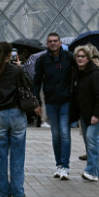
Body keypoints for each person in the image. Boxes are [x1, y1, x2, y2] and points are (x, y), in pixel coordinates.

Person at [0, 41, 33, 197]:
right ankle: (18, 191)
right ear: (10, 55)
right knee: (17, 155)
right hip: (16, 113)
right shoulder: (16, 70)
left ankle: (4, 192)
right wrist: (20, 67)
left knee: (1, 157)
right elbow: (27, 85)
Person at [33, 32, 73, 180]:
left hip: (66, 101)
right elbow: (36, 82)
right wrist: (36, 102)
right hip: (51, 102)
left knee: (64, 132)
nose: (53, 43)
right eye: (50, 41)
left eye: (55, 41)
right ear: (47, 43)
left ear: (60, 42)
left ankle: (65, 165)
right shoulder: (42, 60)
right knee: (56, 135)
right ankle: (59, 164)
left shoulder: (69, 58)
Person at [72, 44, 99, 182]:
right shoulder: (77, 73)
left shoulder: (95, 74)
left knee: (91, 140)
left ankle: (91, 170)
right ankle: (96, 171)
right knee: (88, 143)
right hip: (84, 114)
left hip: (95, 115)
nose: (80, 59)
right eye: (78, 56)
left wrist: (96, 115)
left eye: (83, 56)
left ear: (88, 58)